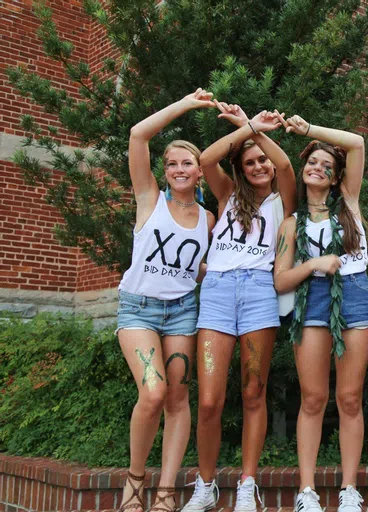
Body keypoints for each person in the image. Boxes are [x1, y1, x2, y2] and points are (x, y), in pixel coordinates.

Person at [181, 104, 297, 512]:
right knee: (209, 400)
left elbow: (284, 164)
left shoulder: (283, 200)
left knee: (253, 391)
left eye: (261, 159)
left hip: (259, 292)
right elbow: (205, 159)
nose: (259, 166)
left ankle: (248, 484)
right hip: (216, 291)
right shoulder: (227, 194)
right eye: (249, 162)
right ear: (241, 168)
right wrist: (245, 127)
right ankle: (206, 485)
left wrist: (259, 132)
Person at [117, 89, 216, 512]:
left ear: (199, 172)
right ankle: (136, 479)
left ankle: (166, 491)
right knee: (153, 393)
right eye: (172, 163)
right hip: (138, 307)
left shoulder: (209, 220)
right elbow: (138, 136)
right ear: (165, 171)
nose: (179, 168)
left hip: (181, 313)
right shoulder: (149, 200)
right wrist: (188, 104)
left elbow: (203, 271)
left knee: (178, 400)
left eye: (187, 163)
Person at [273, 115, 368, 512]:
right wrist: (314, 265)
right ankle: (307, 491)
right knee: (313, 399)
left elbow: (358, 142)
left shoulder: (349, 202)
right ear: (303, 172)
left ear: (335, 179)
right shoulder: (291, 223)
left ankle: (349, 489)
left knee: (349, 398)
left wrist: (308, 131)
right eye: (311, 163)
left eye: (326, 166)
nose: (317, 168)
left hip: (354, 297)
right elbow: (281, 281)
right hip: (311, 301)